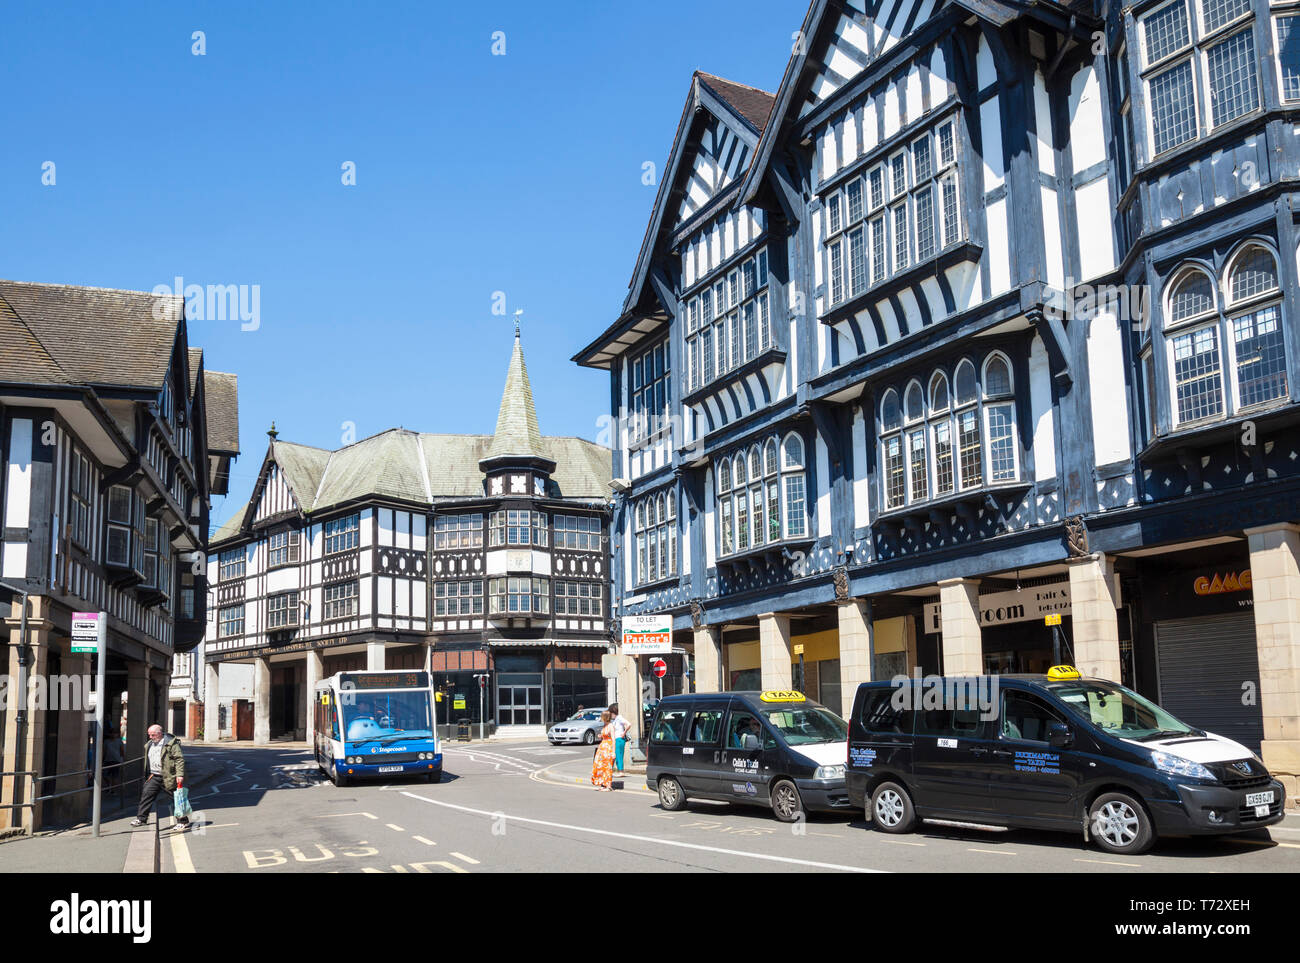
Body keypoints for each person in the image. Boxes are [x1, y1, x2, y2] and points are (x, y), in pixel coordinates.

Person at [130, 724, 190, 831]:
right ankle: (142, 818)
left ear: (159, 733)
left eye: (152, 735)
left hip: (168, 776)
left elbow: (179, 759)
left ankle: (183, 821)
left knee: (176, 799)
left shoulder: (171, 743)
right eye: (149, 735)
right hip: (154, 775)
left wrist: (179, 774)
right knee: (146, 795)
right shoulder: (149, 744)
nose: (150, 737)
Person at [590, 710, 615, 792]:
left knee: (607, 766)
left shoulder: (611, 726)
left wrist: (613, 752)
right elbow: (605, 736)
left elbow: (613, 739)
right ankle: (603, 784)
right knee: (600, 765)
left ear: (605, 717)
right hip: (602, 747)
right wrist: (601, 736)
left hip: (608, 748)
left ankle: (608, 786)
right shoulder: (605, 725)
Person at [609, 702, 631, 777]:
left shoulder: (619, 718)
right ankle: (617, 771)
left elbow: (628, 724)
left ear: (613, 712)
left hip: (619, 739)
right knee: (616, 755)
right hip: (617, 739)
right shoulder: (616, 720)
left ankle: (621, 771)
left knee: (618, 755)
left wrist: (624, 733)